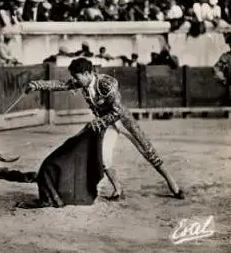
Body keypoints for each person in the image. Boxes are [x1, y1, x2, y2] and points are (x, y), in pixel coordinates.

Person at [25, 57, 185, 200]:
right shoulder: (83, 81)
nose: (74, 80)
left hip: (122, 120)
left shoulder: (107, 83)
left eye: (76, 76)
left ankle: (173, 184)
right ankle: (118, 189)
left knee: (147, 150)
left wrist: (98, 122)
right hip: (105, 124)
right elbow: (61, 85)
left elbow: (116, 111)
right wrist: (37, 85)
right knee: (103, 157)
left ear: (87, 73)